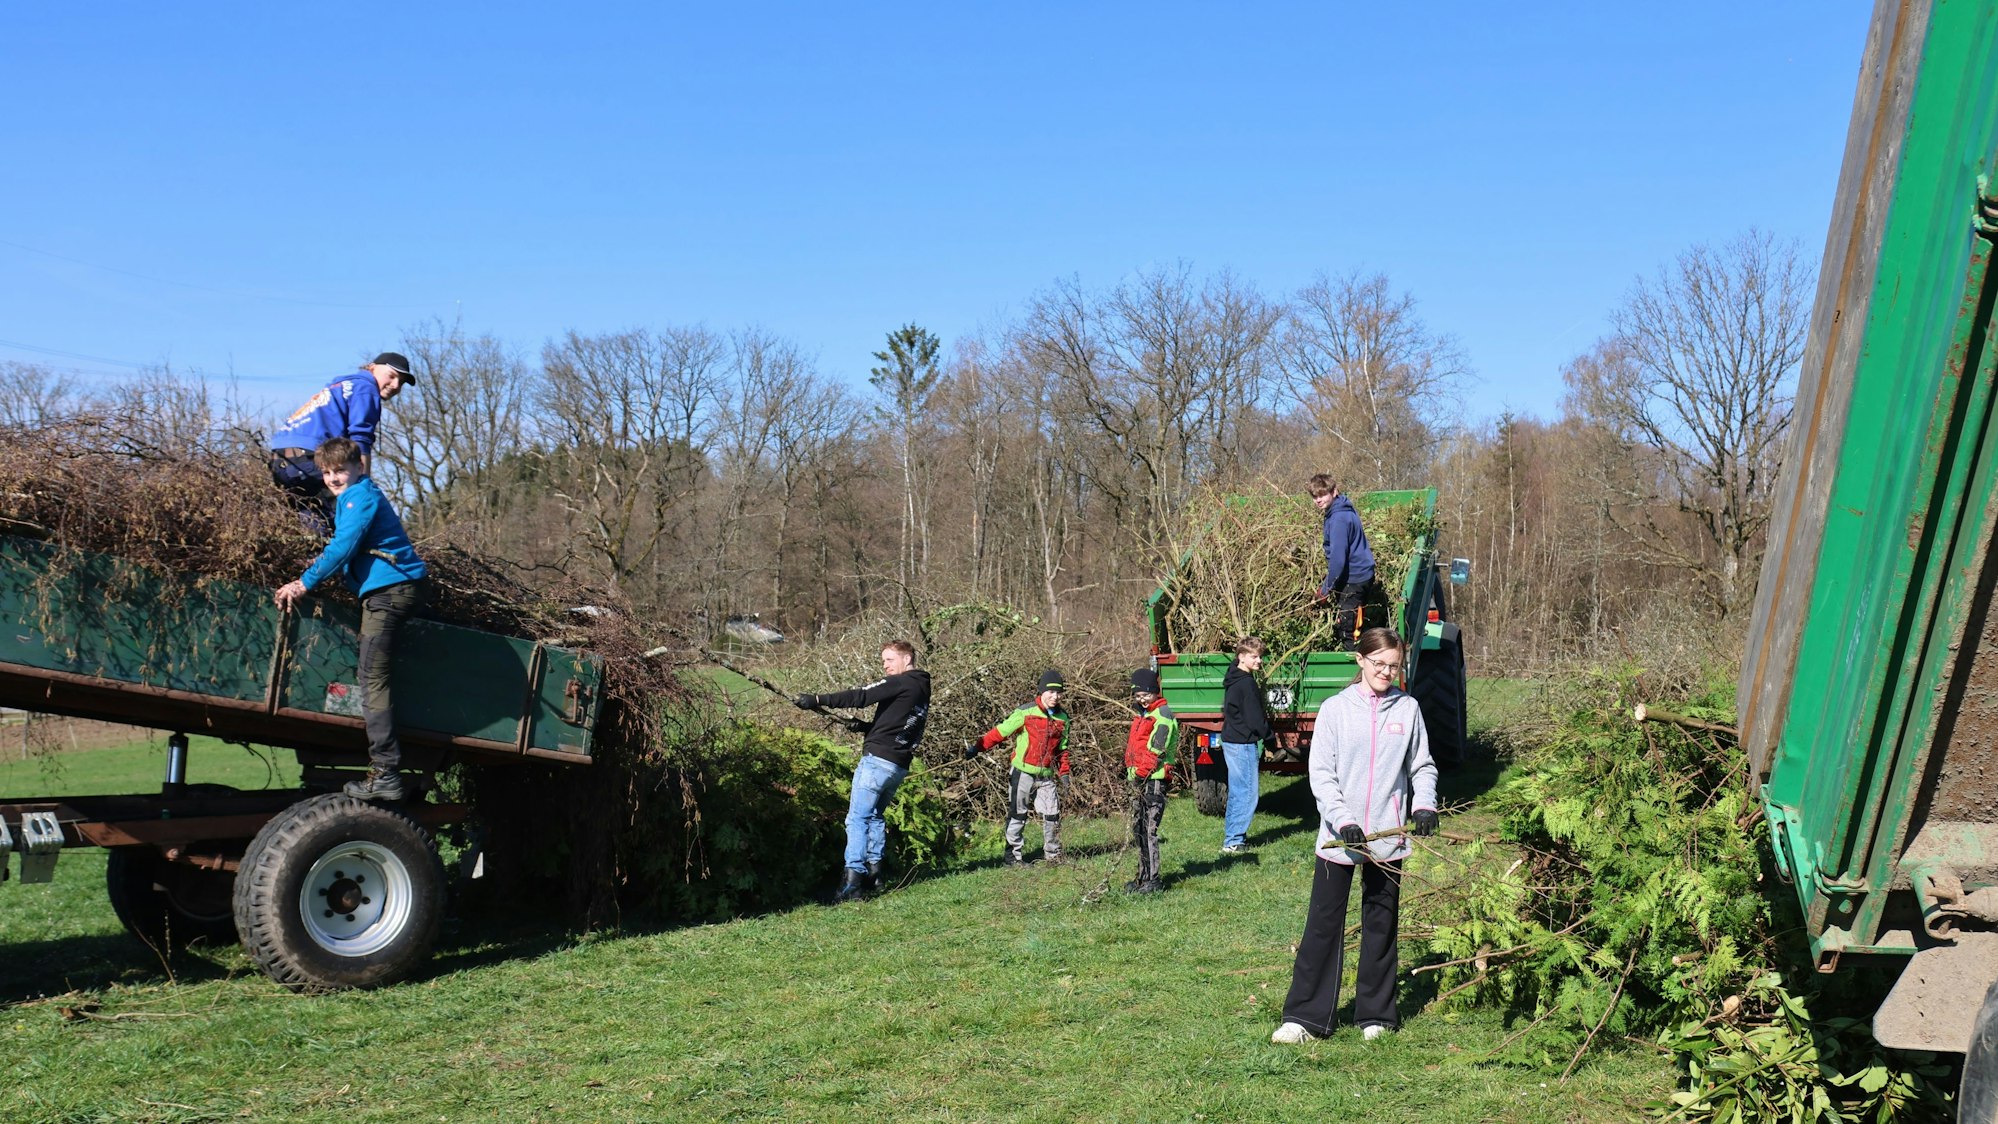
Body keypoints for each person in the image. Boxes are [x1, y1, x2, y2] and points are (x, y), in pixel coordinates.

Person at [1272, 627, 1439, 1044]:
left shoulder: (1408, 709)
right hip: (1339, 837)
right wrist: (1343, 820)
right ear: (1361, 660)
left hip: (1388, 837)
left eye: (1394, 666)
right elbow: (1322, 775)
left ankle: (1376, 1016)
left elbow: (1422, 766)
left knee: (1381, 925)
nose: (1386, 672)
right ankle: (1305, 1018)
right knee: (1323, 926)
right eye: (1378, 663)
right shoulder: (1335, 709)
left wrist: (1424, 804)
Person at [273, 436, 429, 802]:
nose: (333, 478)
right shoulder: (352, 497)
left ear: (359, 466)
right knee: (376, 672)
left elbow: (343, 546)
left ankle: (386, 773)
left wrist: (303, 583)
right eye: (327, 472)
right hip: (390, 588)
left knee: (372, 677)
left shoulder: (360, 497)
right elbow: (348, 549)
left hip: (390, 591)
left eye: (340, 470)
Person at [793, 641, 932, 902]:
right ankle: (875, 875)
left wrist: (817, 700)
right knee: (875, 816)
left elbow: (861, 696)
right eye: (883, 661)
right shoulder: (921, 686)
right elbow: (901, 725)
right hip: (898, 764)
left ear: (907, 659)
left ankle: (852, 882)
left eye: (890, 659)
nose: (885, 665)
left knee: (857, 819)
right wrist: (866, 727)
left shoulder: (900, 682)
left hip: (877, 762)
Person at [269, 353, 415, 533]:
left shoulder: (340, 386)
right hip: (310, 459)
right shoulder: (366, 388)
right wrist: (363, 485)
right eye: (391, 376)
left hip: (281, 461)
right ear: (372, 368)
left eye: (401, 382)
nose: (395, 385)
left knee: (315, 525)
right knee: (352, 521)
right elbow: (360, 439)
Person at [967, 669, 1071, 867]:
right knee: (1018, 813)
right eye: (1051, 692)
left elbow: (1062, 749)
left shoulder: (1063, 718)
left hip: (1046, 775)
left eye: (1059, 692)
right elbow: (1000, 732)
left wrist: (1064, 772)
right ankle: (1013, 858)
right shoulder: (1025, 712)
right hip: (1023, 773)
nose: (1055, 696)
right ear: (1042, 691)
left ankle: (1053, 855)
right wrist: (978, 747)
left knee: (1052, 815)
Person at [1124, 667, 1180, 894]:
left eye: (1146, 694)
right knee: (1138, 829)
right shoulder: (1143, 715)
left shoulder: (1162, 715)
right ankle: (1142, 877)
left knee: (1148, 830)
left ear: (1155, 691)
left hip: (1152, 780)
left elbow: (1156, 749)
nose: (1142, 699)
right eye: (1138, 696)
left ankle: (1153, 880)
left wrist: (1141, 774)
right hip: (1139, 778)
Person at [1307, 474, 1376, 650]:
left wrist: (1325, 590)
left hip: (1354, 578)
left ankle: (1354, 659)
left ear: (1334, 492)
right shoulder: (1343, 509)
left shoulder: (1338, 518)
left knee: (1348, 628)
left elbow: (1338, 559)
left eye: (1322, 495)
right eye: (1315, 496)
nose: (1318, 500)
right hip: (1361, 573)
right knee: (1357, 621)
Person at [1219, 637, 1272, 855]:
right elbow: (1254, 718)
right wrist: (1269, 738)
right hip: (1242, 743)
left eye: (1260, 656)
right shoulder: (1247, 683)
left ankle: (1232, 837)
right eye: (1254, 656)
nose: (1259, 661)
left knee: (1237, 791)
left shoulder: (1233, 677)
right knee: (1247, 793)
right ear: (1241, 657)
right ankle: (1233, 840)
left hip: (1231, 740)